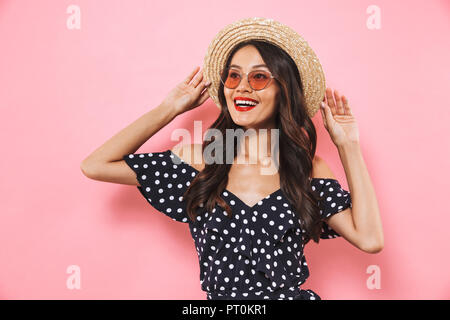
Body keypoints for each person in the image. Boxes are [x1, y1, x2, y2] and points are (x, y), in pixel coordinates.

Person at [81, 17, 384, 300]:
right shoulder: (199, 161)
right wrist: (169, 108)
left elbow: (370, 240)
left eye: (259, 77)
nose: (242, 86)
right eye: (234, 75)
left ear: (284, 90)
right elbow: (96, 165)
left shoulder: (308, 170)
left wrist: (348, 145)